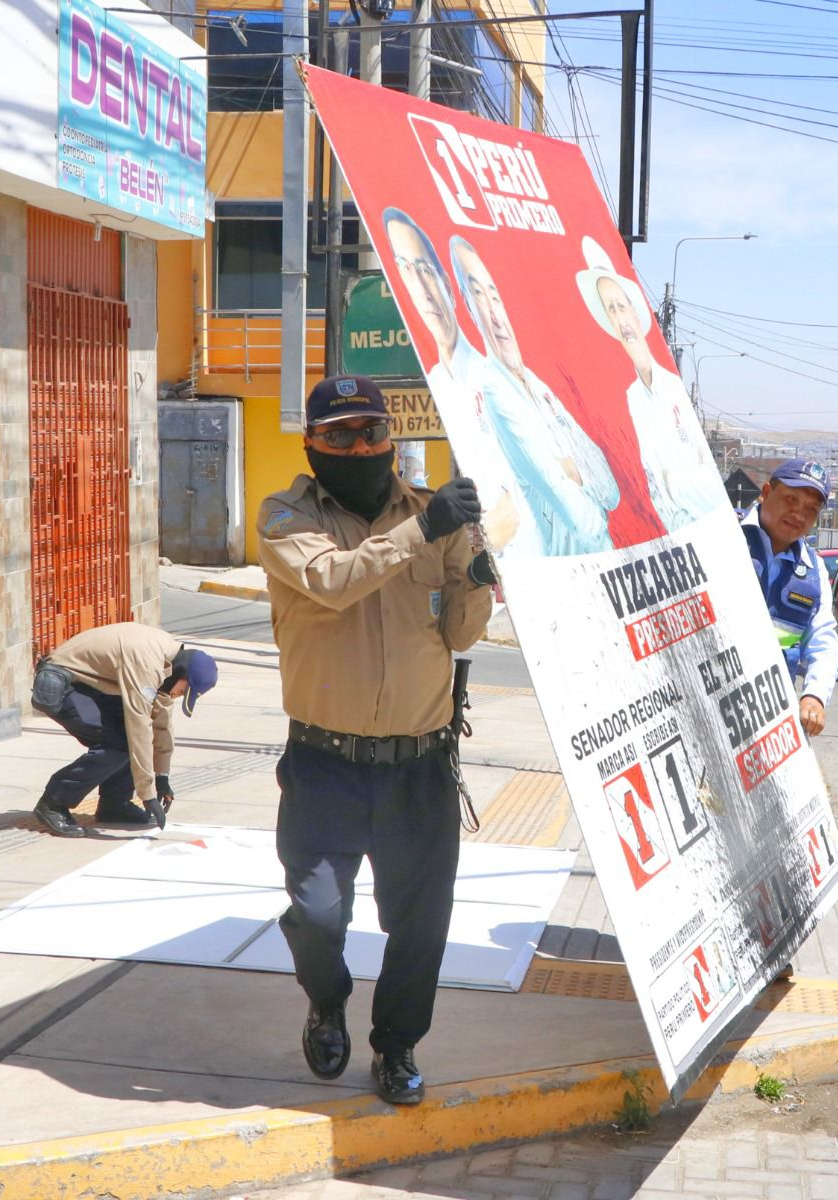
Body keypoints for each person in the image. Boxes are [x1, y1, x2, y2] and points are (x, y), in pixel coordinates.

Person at [256, 374, 495, 1107]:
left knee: (421, 926)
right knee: (320, 914)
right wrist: (425, 531)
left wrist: (480, 566)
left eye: (373, 432)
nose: (361, 446)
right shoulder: (286, 518)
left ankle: (396, 1047)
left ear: (392, 439)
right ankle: (326, 1000)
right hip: (325, 763)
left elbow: (460, 633)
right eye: (341, 435)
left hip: (418, 765)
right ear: (312, 444)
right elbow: (333, 582)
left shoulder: (435, 515)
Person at [450, 236, 620, 556]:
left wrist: (575, 472)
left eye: (494, 295)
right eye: (477, 294)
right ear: (468, 307)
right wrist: (573, 473)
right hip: (566, 577)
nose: (493, 310)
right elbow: (582, 521)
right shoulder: (494, 391)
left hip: (602, 568)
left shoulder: (539, 385)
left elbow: (610, 489)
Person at [380, 207, 526, 555]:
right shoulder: (435, 382)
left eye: (425, 271)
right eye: (405, 272)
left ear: (446, 282)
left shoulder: (496, 380)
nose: (422, 289)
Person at [575, 236, 727, 531]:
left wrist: (679, 485)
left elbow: (706, 489)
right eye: (611, 310)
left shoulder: (672, 387)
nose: (621, 318)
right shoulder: (631, 397)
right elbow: (656, 487)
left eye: (622, 306)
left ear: (637, 311)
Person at [31, 624, 218, 837]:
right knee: (119, 744)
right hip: (63, 684)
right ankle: (53, 803)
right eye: (183, 691)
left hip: (91, 686)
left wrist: (162, 776)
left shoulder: (168, 660)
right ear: (182, 675)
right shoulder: (147, 663)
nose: (179, 695)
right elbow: (139, 726)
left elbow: (162, 721)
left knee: (125, 740)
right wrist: (147, 794)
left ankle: (114, 805)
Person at [740, 459, 838, 736]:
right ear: (767, 492)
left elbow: (823, 640)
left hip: (770, 712)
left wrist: (815, 696)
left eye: (811, 509)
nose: (798, 514)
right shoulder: (723, 536)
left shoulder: (813, 569)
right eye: (790, 499)